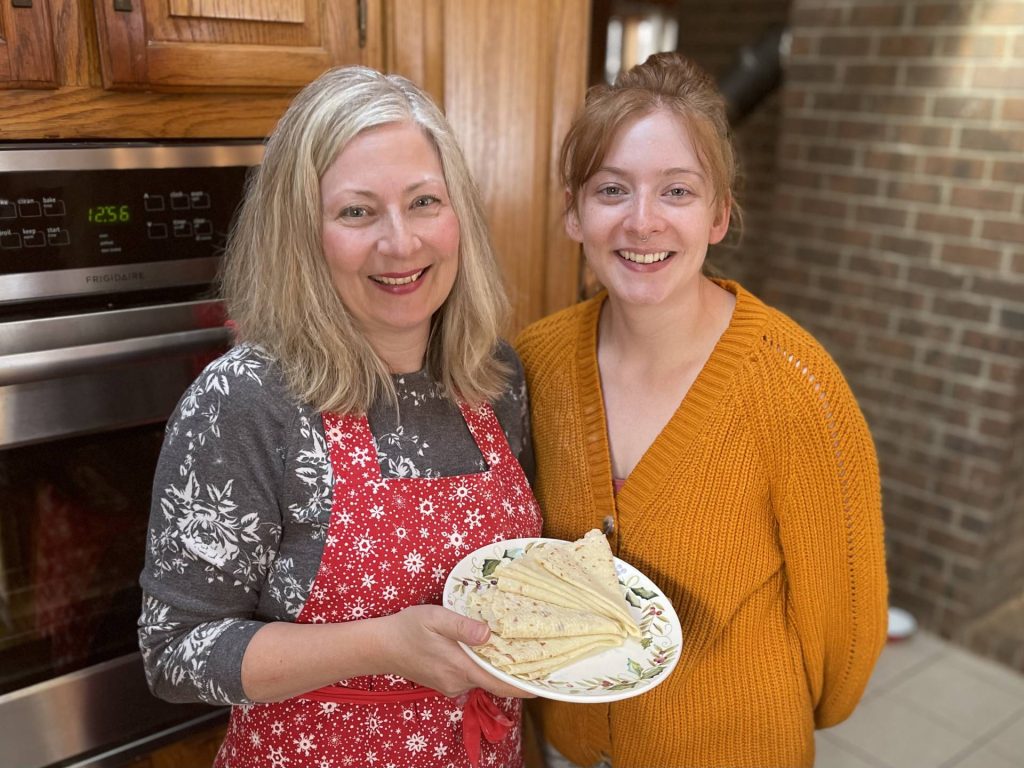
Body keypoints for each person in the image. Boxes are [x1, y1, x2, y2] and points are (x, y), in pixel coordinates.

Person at [138, 66, 542, 768]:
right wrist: (384, 644)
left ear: (459, 217)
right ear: (303, 233)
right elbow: (174, 654)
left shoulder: (494, 378)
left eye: (424, 202)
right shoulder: (247, 401)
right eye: (357, 212)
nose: (401, 243)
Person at [515, 52, 888, 768]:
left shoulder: (793, 385)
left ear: (719, 214)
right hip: (568, 741)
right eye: (612, 189)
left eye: (677, 192)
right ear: (573, 211)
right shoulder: (535, 363)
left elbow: (845, 629)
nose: (642, 221)